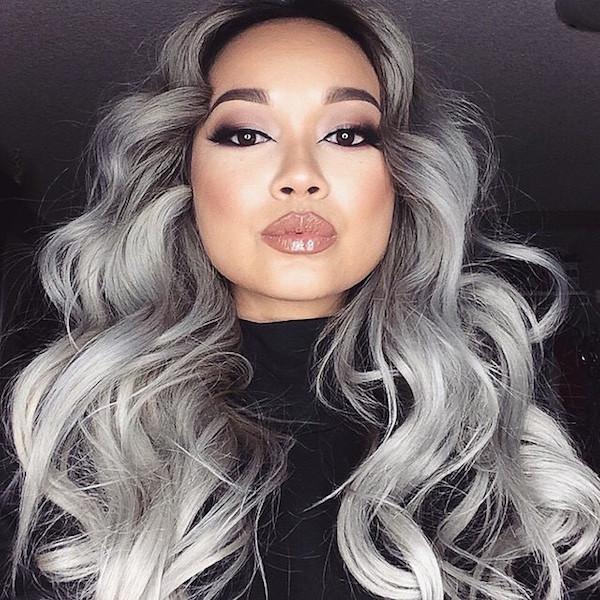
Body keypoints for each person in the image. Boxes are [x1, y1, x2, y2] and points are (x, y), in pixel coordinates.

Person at [1, 0, 599, 598]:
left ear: (402, 177)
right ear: (181, 175)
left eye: (346, 134)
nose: (301, 175)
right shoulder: (71, 447)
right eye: (246, 134)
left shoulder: (494, 439)